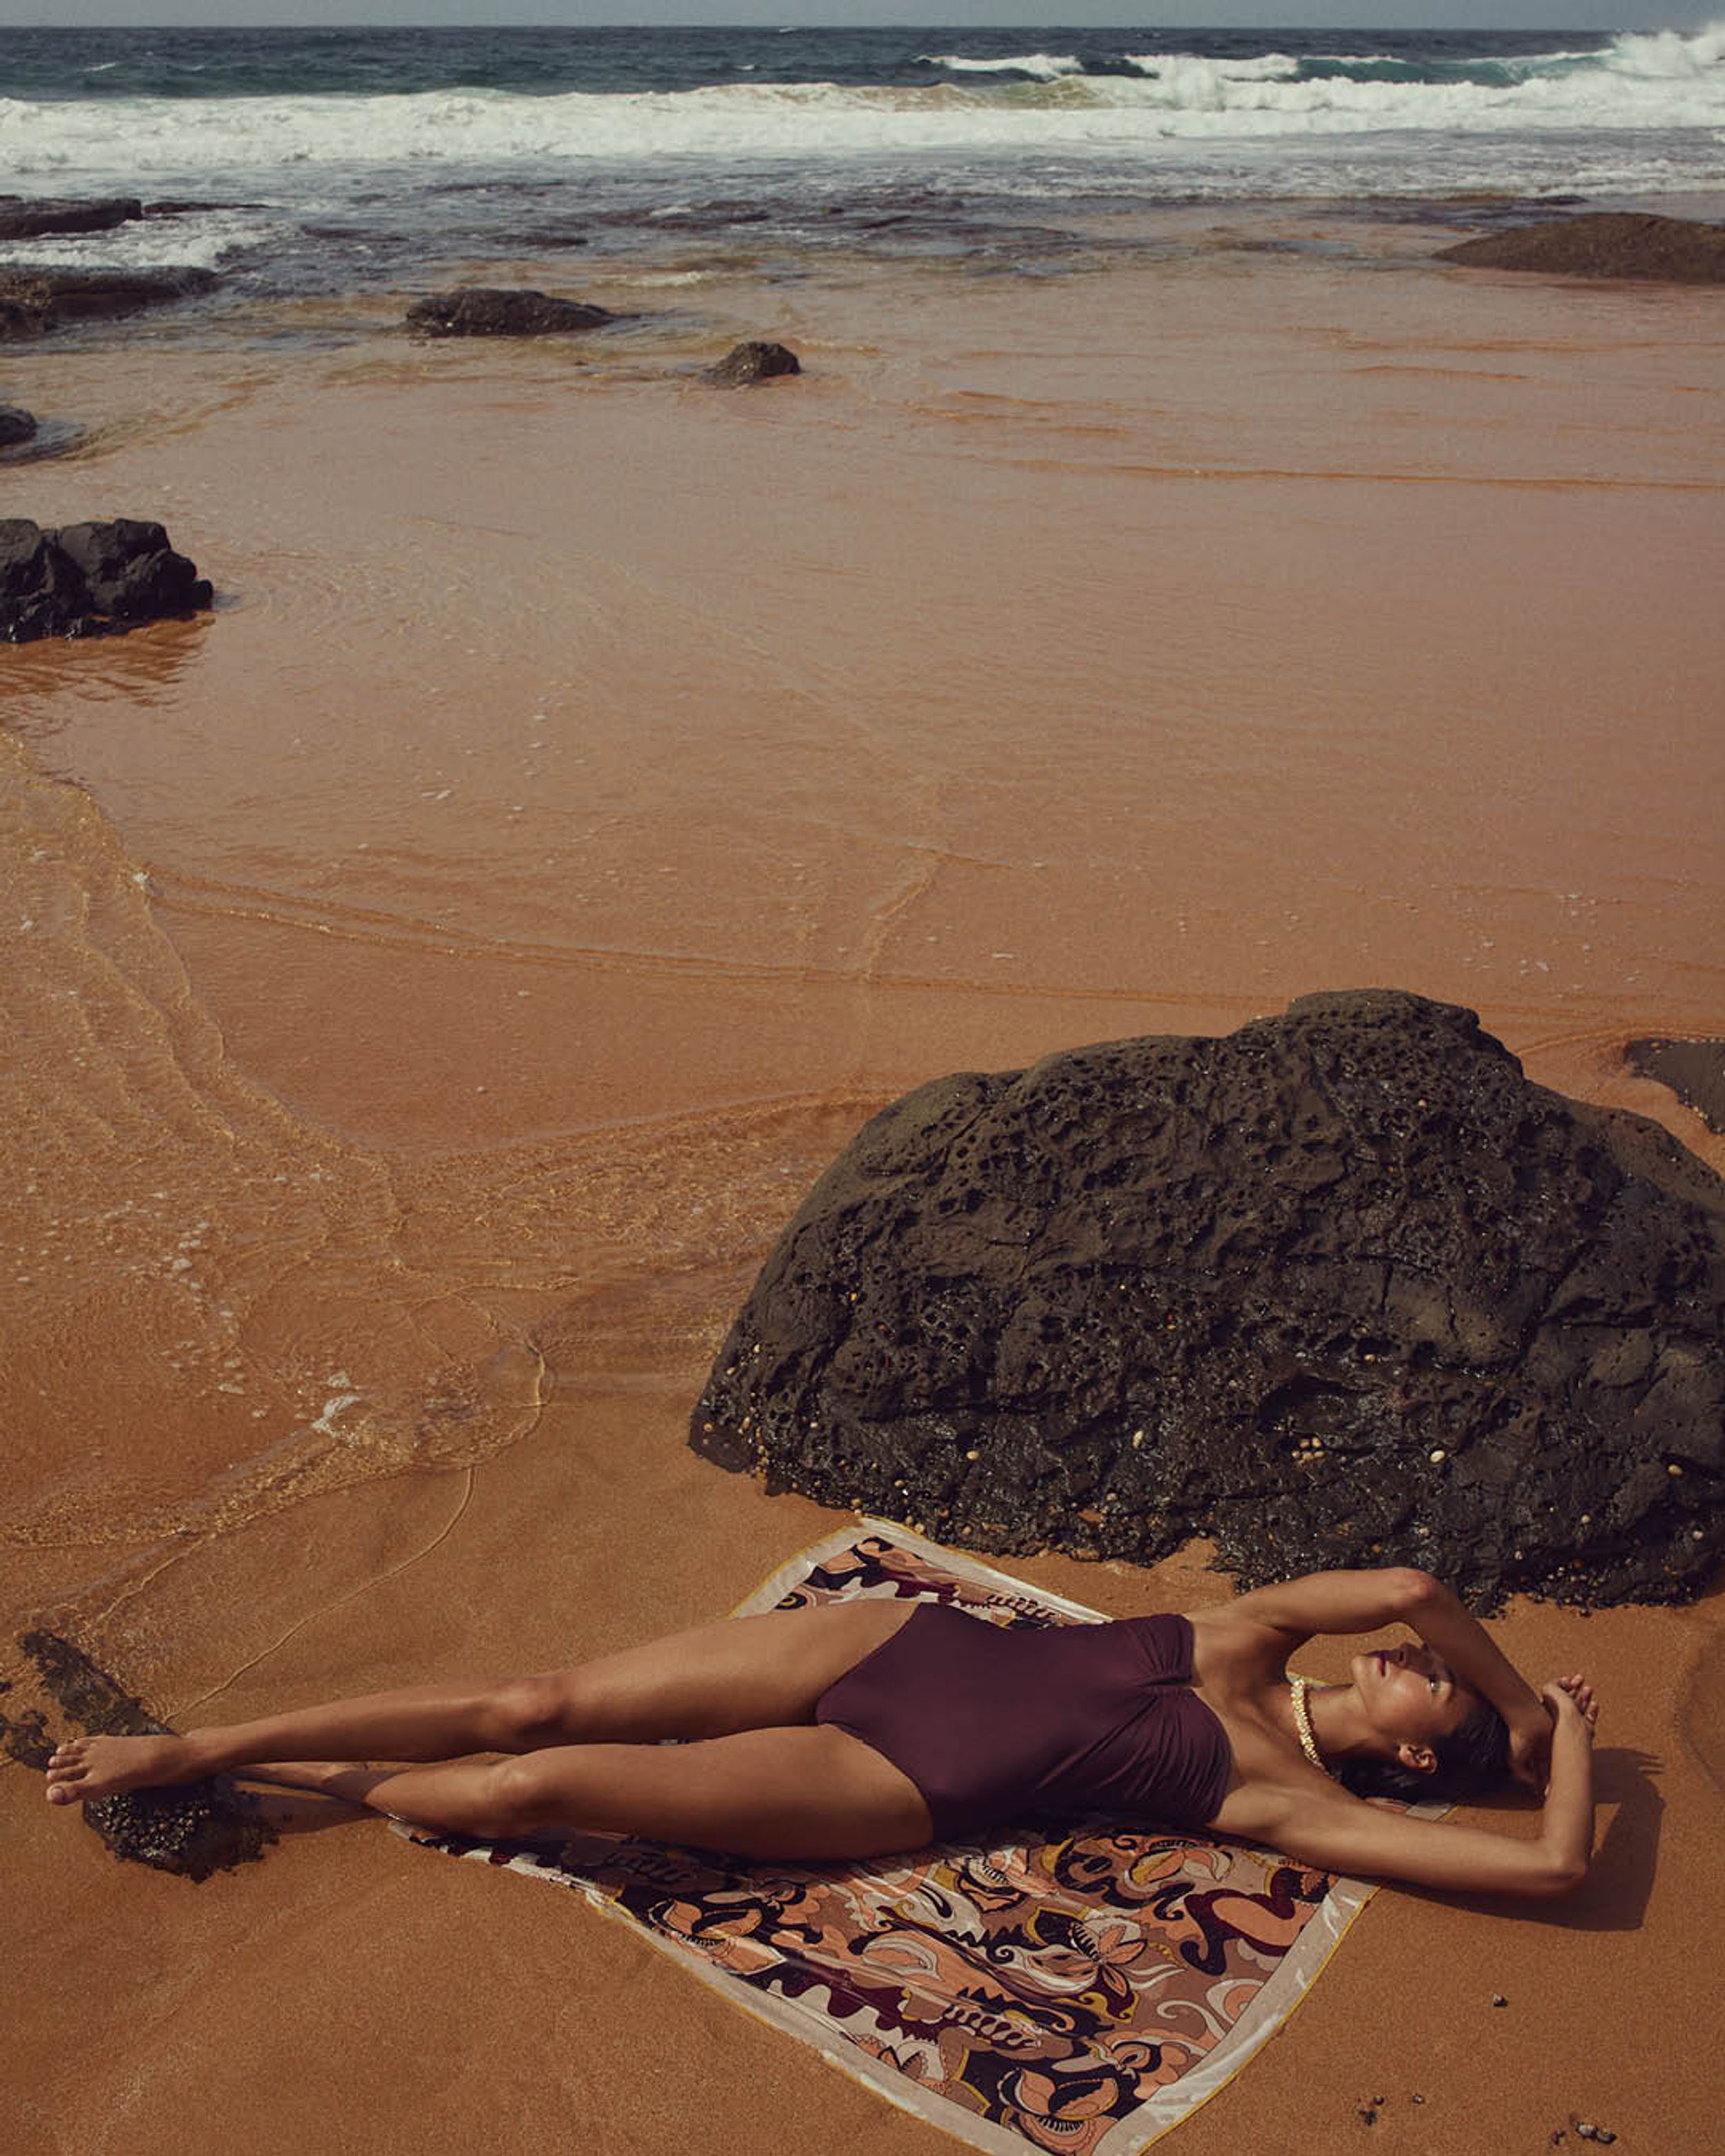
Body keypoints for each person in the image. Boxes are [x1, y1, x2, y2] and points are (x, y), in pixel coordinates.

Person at [43, 1564, 1597, 1896]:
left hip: (889, 1775)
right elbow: (1412, 1580)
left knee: (525, 1785)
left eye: (1429, 1687)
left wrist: (1555, 1755)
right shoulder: (1257, 1631)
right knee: (534, 1696)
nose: (1404, 1655)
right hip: (888, 1642)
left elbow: (1545, 1872)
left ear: (1406, 1757)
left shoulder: (1274, 1796)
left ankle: (240, 1761)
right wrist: (1516, 1703)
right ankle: (188, 1752)